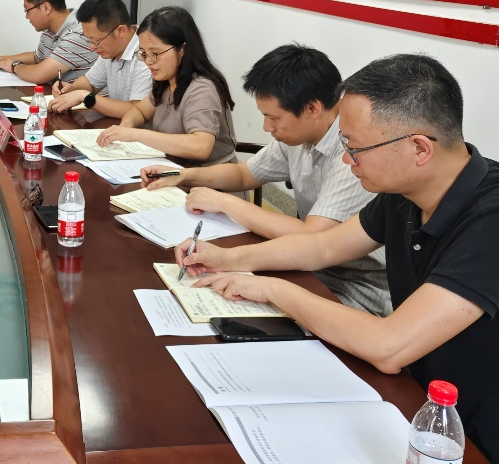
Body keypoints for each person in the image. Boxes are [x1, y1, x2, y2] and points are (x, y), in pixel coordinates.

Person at [178, 54, 499, 461]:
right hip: (426, 409)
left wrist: (272, 289)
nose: (346, 159)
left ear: (419, 148)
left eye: (355, 147)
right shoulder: (405, 193)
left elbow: (388, 345)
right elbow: (324, 246)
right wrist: (228, 259)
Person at [140, 44, 388, 315]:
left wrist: (226, 203)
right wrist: (183, 176)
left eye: (273, 118)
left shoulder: (353, 153)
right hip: (308, 266)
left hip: (357, 288)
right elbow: (243, 174)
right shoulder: (297, 138)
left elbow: (314, 237)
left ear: (312, 108)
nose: (266, 127)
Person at [97, 7, 237, 168]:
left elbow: (200, 147)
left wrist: (136, 134)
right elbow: (139, 111)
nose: (148, 61)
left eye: (155, 53)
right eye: (143, 54)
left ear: (183, 49)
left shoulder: (202, 89)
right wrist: (127, 125)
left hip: (210, 178)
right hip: (172, 168)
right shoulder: (166, 81)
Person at [46, 0, 150, 118]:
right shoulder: (111, 50)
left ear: (120, 31)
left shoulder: (145, 54)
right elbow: (90, 83)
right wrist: (71, 88)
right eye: (89, 40)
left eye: (96, 40)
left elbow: (137, 110)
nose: (91, 47)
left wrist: (84, 96)